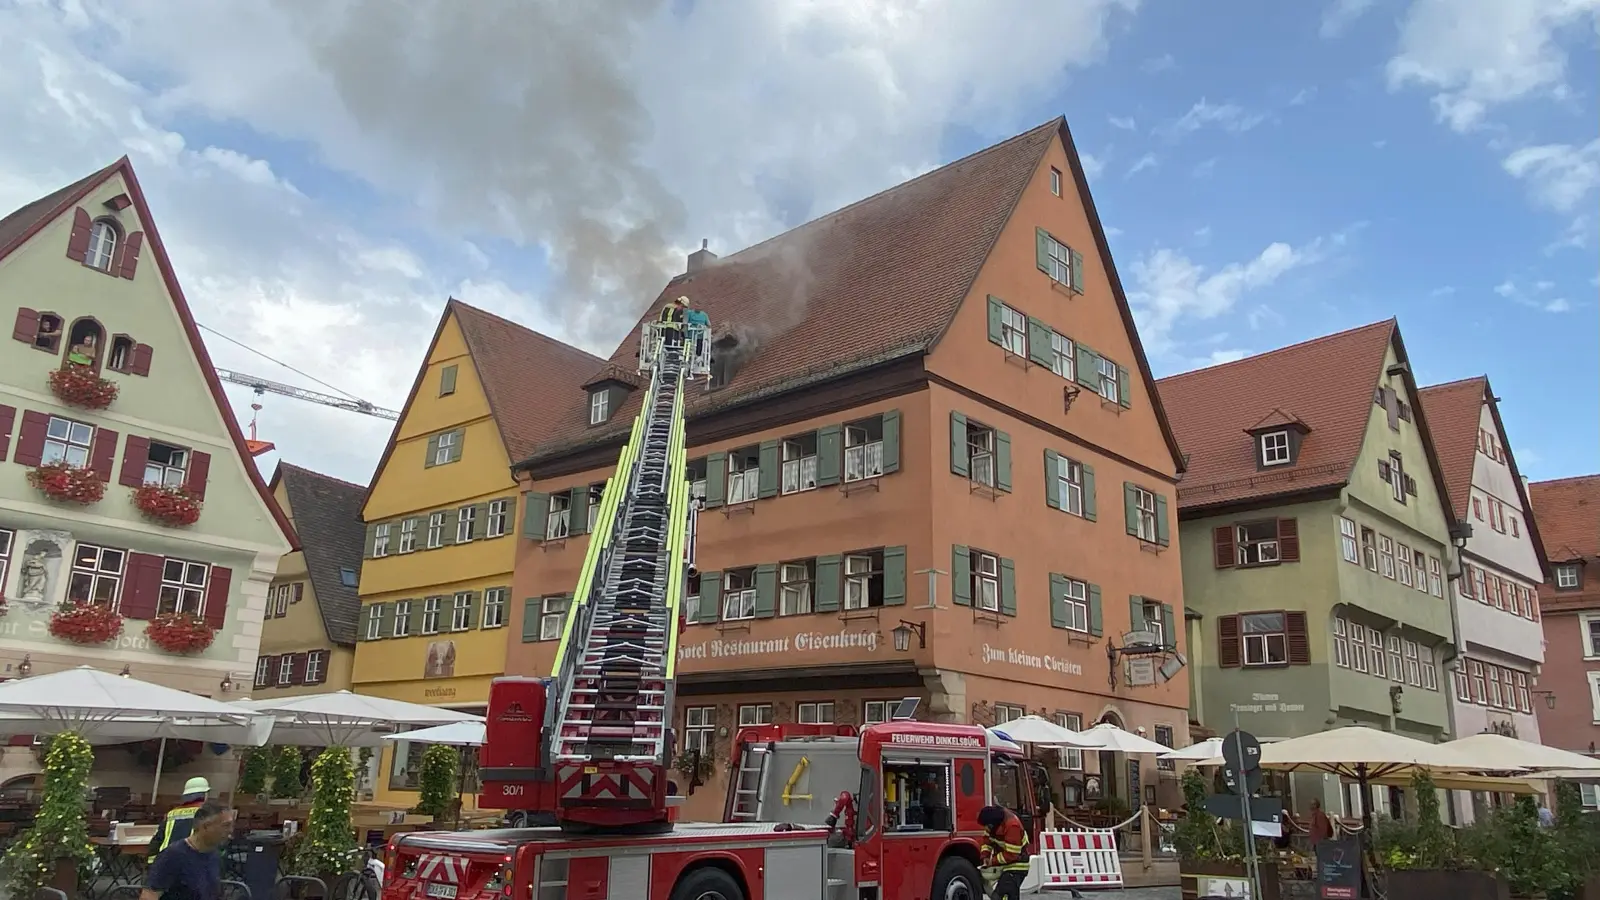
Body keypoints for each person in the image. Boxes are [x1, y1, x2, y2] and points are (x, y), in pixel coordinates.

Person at [140, 800, 232, 900]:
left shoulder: (214, 856)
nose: (230, 831)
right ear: (206, 826)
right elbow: (148, 897)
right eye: (226, 826)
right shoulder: (173, 856)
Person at [146, 777, 211, 863]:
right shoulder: (206, 813)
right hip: (192, 862)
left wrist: (152, 863)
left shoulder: (172, 814)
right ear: (204, 795)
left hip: (167, 860)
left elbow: (157, 839)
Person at [976, 805, 1030, 900]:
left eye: (986, 826)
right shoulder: (993, 823)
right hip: (1004, 865)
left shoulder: (1012, 826)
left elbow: (1012, 854)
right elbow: (987, 843)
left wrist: (991, 862)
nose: (986, 829)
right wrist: (985, 856)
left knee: (1002, 895)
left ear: (992, 824)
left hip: (1017, 865)